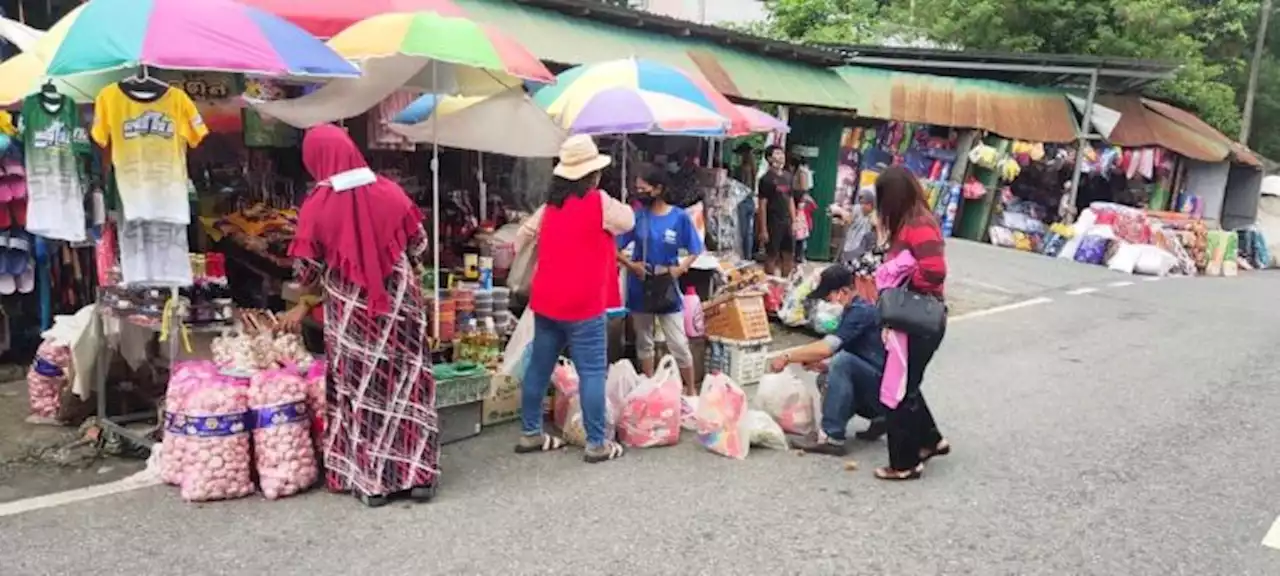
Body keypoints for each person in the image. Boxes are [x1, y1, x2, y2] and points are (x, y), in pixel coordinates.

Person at [282, 124, 438, 507]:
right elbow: (419, 244)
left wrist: (310, 289)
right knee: (407, 386)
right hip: (401, 307)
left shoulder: (316, 205)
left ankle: (374, 483)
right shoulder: (390, 190)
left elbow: (304, 273)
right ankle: (418, 475)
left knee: (365, 391)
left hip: (354, 319)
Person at [515, 135, 634, 463]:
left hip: (547, 301)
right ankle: (597, 443)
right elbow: (629, 220)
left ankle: (530, 433)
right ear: (592, 174)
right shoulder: (601, 203)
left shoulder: (548, 208)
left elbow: (521, 237)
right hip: (584, 304)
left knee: (539, 367)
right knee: (592, 372)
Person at [872, 165, 950, 481]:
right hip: (918, 318)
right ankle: (931, 441)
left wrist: (904, 280)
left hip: (919, 318)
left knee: (900, 388)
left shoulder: (918, 224)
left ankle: (904, 463)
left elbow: (934, 270)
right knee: (909, 383)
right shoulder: (911, 221)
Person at [766, 266, 887, 456]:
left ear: (843, 292)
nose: (827, 301)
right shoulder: (853, 311)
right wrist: (821, 365)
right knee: (826, 376)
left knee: (841, 362)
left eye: (828, 296)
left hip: (882, 389)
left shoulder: (861, 312)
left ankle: (832, 436)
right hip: (877, 383)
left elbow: (826, 348)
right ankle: (880, 419)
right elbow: (857, 355)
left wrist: (787, 357)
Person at [617, 164, 704, 395]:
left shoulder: (679, 218)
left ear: (658, 189)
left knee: (678, 343)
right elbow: (614, 246)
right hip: (640, 284)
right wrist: (631, 265)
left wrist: (681, 268)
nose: (638, 192)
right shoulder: (637, 217)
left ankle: (691, 391)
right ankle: (648, 390)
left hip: (667, 285)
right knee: (644, 341)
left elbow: (696, 248)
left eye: (642, 188)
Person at [756, 145, 795, 277]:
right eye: (777, 154)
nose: (781, 156)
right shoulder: (765, 179)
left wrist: (794, 221)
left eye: (782, 153)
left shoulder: (788, 176)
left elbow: (790, 199)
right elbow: (762, 204)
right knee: (772, 255)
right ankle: (770, 282)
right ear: (769, 158)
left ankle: (786, 283)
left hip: (786, 221)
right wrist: (763, 229)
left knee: (788, 254)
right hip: (773, 221)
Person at [833, 187, 880, 267]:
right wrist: (840, 213)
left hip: (864, 249)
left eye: (866, 204)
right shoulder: (856, 209)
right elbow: (848, 219)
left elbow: (875, 224)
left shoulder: (875, 214)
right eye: (861, 203)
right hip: (851, 245)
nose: (863, 206)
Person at [733, 143, 758, 255]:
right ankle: (748, 255)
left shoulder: (742, 169)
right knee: (749, 231)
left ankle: (743, 255)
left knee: (742, 231)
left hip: (742, 200)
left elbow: (740, 186)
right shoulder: (753, 168)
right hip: (750, 200)